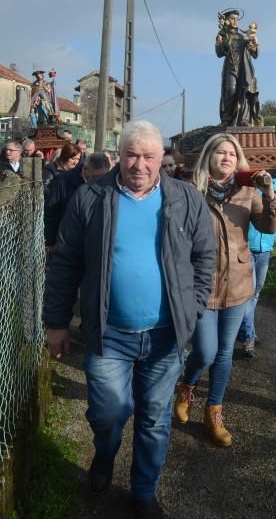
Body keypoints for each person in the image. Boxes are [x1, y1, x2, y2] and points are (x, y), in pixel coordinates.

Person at [44, 120, 216, 518]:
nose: (139, 164)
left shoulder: (185, 199)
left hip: (164, 337)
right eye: (131, 154)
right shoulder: (91, 198)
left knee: (155, 419)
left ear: (161, 160)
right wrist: (56, 323)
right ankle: (104, 453)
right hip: (109, 336)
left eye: (148, 156)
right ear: (118, 156)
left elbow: (205, 257)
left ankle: (143, 491)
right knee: (108, 413)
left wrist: (192, 309)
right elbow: (66, 262)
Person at [174, 133, 276, 447]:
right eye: (220, 152)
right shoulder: (192, 190)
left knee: (223, 353)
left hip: (238, 281)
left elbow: (267, 227)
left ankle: (214, 411)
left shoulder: (249, 191)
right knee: (204, 350)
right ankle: (187, 386)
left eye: (232, 154)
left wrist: (269, 192)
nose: (226, 157)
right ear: (209, 156)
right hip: (203, 283)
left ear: (239, 160)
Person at [237, 175, 276, 357]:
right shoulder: (244, 182)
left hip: (265, 249)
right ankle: (248, 337)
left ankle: (246, 329)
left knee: (255, 293)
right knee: (247, 294)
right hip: (245, 247)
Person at [45, 153, 110, 248]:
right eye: (95, 177)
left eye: (103, 177)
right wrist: (51, 241)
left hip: (95, 242)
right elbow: (51, 211)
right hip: (67, 241)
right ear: (85, 169)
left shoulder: (108, 183)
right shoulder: (63, 181)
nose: (99, 181)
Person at [215, 9, 263, 127]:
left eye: (237, 18)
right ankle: (227, 118)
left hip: (243, 68)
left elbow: (255, 54)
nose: (235, 20)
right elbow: (219, 53)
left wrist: (253, 45)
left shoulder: (243, 36)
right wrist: (223, 42)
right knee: (230, 90)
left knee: (244, 91)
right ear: (226, 20)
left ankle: (244, 119)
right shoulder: (222, 35)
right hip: (230, 67)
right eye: (232, 18)